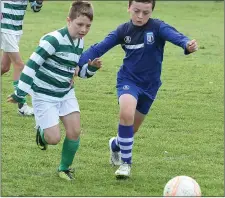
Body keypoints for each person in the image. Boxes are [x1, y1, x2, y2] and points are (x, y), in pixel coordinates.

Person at [78, 0, 198, 179]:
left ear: (152, 12)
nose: (140, 16)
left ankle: (115, 145)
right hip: (128, 80)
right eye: (136, 11)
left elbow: (175, 36)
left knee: (130, 130)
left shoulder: (158, 27)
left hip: (150, 86)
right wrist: (76, 61)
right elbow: (99, 47)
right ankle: (126, 164)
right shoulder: (123, 31)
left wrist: (187, 44)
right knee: (126, 113)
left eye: (145, 12)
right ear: (128, 8)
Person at [7, 0, 102, 181]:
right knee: (53, 139)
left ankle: (64, 169)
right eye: (79, 24)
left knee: (74, 132)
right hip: (44, 95)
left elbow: (74, 71)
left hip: (66, 93)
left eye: (88, 26)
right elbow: (32, 65)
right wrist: (20, 92)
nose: (83, 30)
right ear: (69, 20)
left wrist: (91, 69)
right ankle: (43, 132)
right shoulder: (53, 40)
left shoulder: (79, 42)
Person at [1, 0, 43, 116]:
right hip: (5, 27)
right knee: (19, 65)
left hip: (16, 29)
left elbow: (35, 7)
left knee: (4, 67)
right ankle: (22, 107)